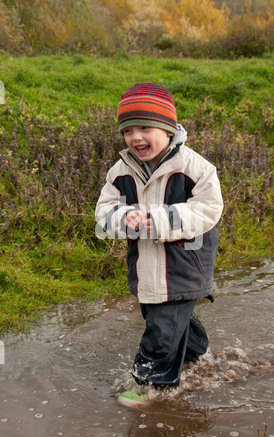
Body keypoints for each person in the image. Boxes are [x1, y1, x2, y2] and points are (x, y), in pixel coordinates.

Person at [95, 82, 223, 405]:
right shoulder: (121, 170)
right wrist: (121, 218)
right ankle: (195, 346)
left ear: (167, 129)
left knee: (160, 334)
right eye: (128, 130)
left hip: (183, 267)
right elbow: (103, 210)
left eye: (145, 128)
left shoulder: (195, 168)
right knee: (158, 317)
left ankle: (149, 385)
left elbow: (209, 209)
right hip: (147, 268)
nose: (136, 137)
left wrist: (163, 220)